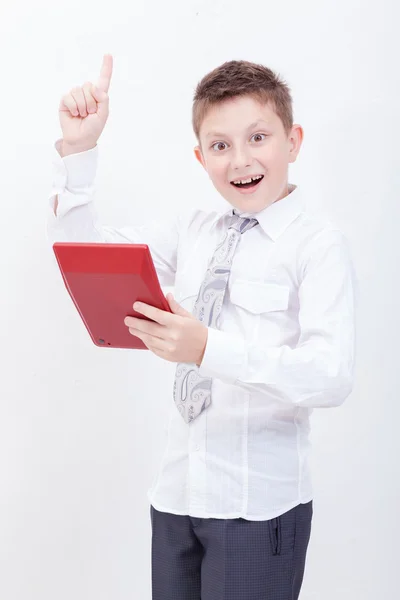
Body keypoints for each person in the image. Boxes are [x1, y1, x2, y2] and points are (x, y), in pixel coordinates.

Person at [47, 54, 356, 600]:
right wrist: (79, 151)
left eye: (258, 137)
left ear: (294, 141)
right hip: (177, 498)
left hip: (258, 510)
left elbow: (330, 376)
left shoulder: (317, 245)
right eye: (220, 146)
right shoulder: (193, 232)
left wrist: (208, 348)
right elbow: (84, 254)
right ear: (200, 156)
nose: (240, 160)